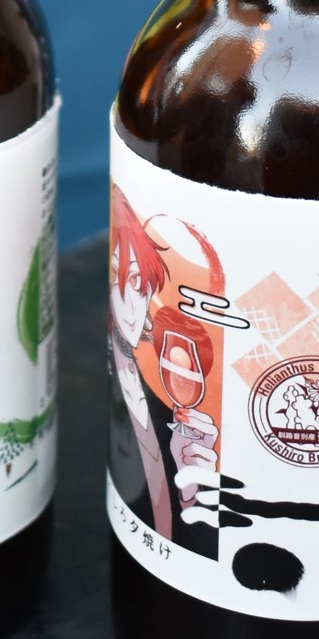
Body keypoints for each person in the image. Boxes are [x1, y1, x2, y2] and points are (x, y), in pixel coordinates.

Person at [108, 188, 219, 558]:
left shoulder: (159, 402)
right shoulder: (117, 377)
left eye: (137, 282)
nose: (127, 299)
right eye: (116, 275)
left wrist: (192, 491)